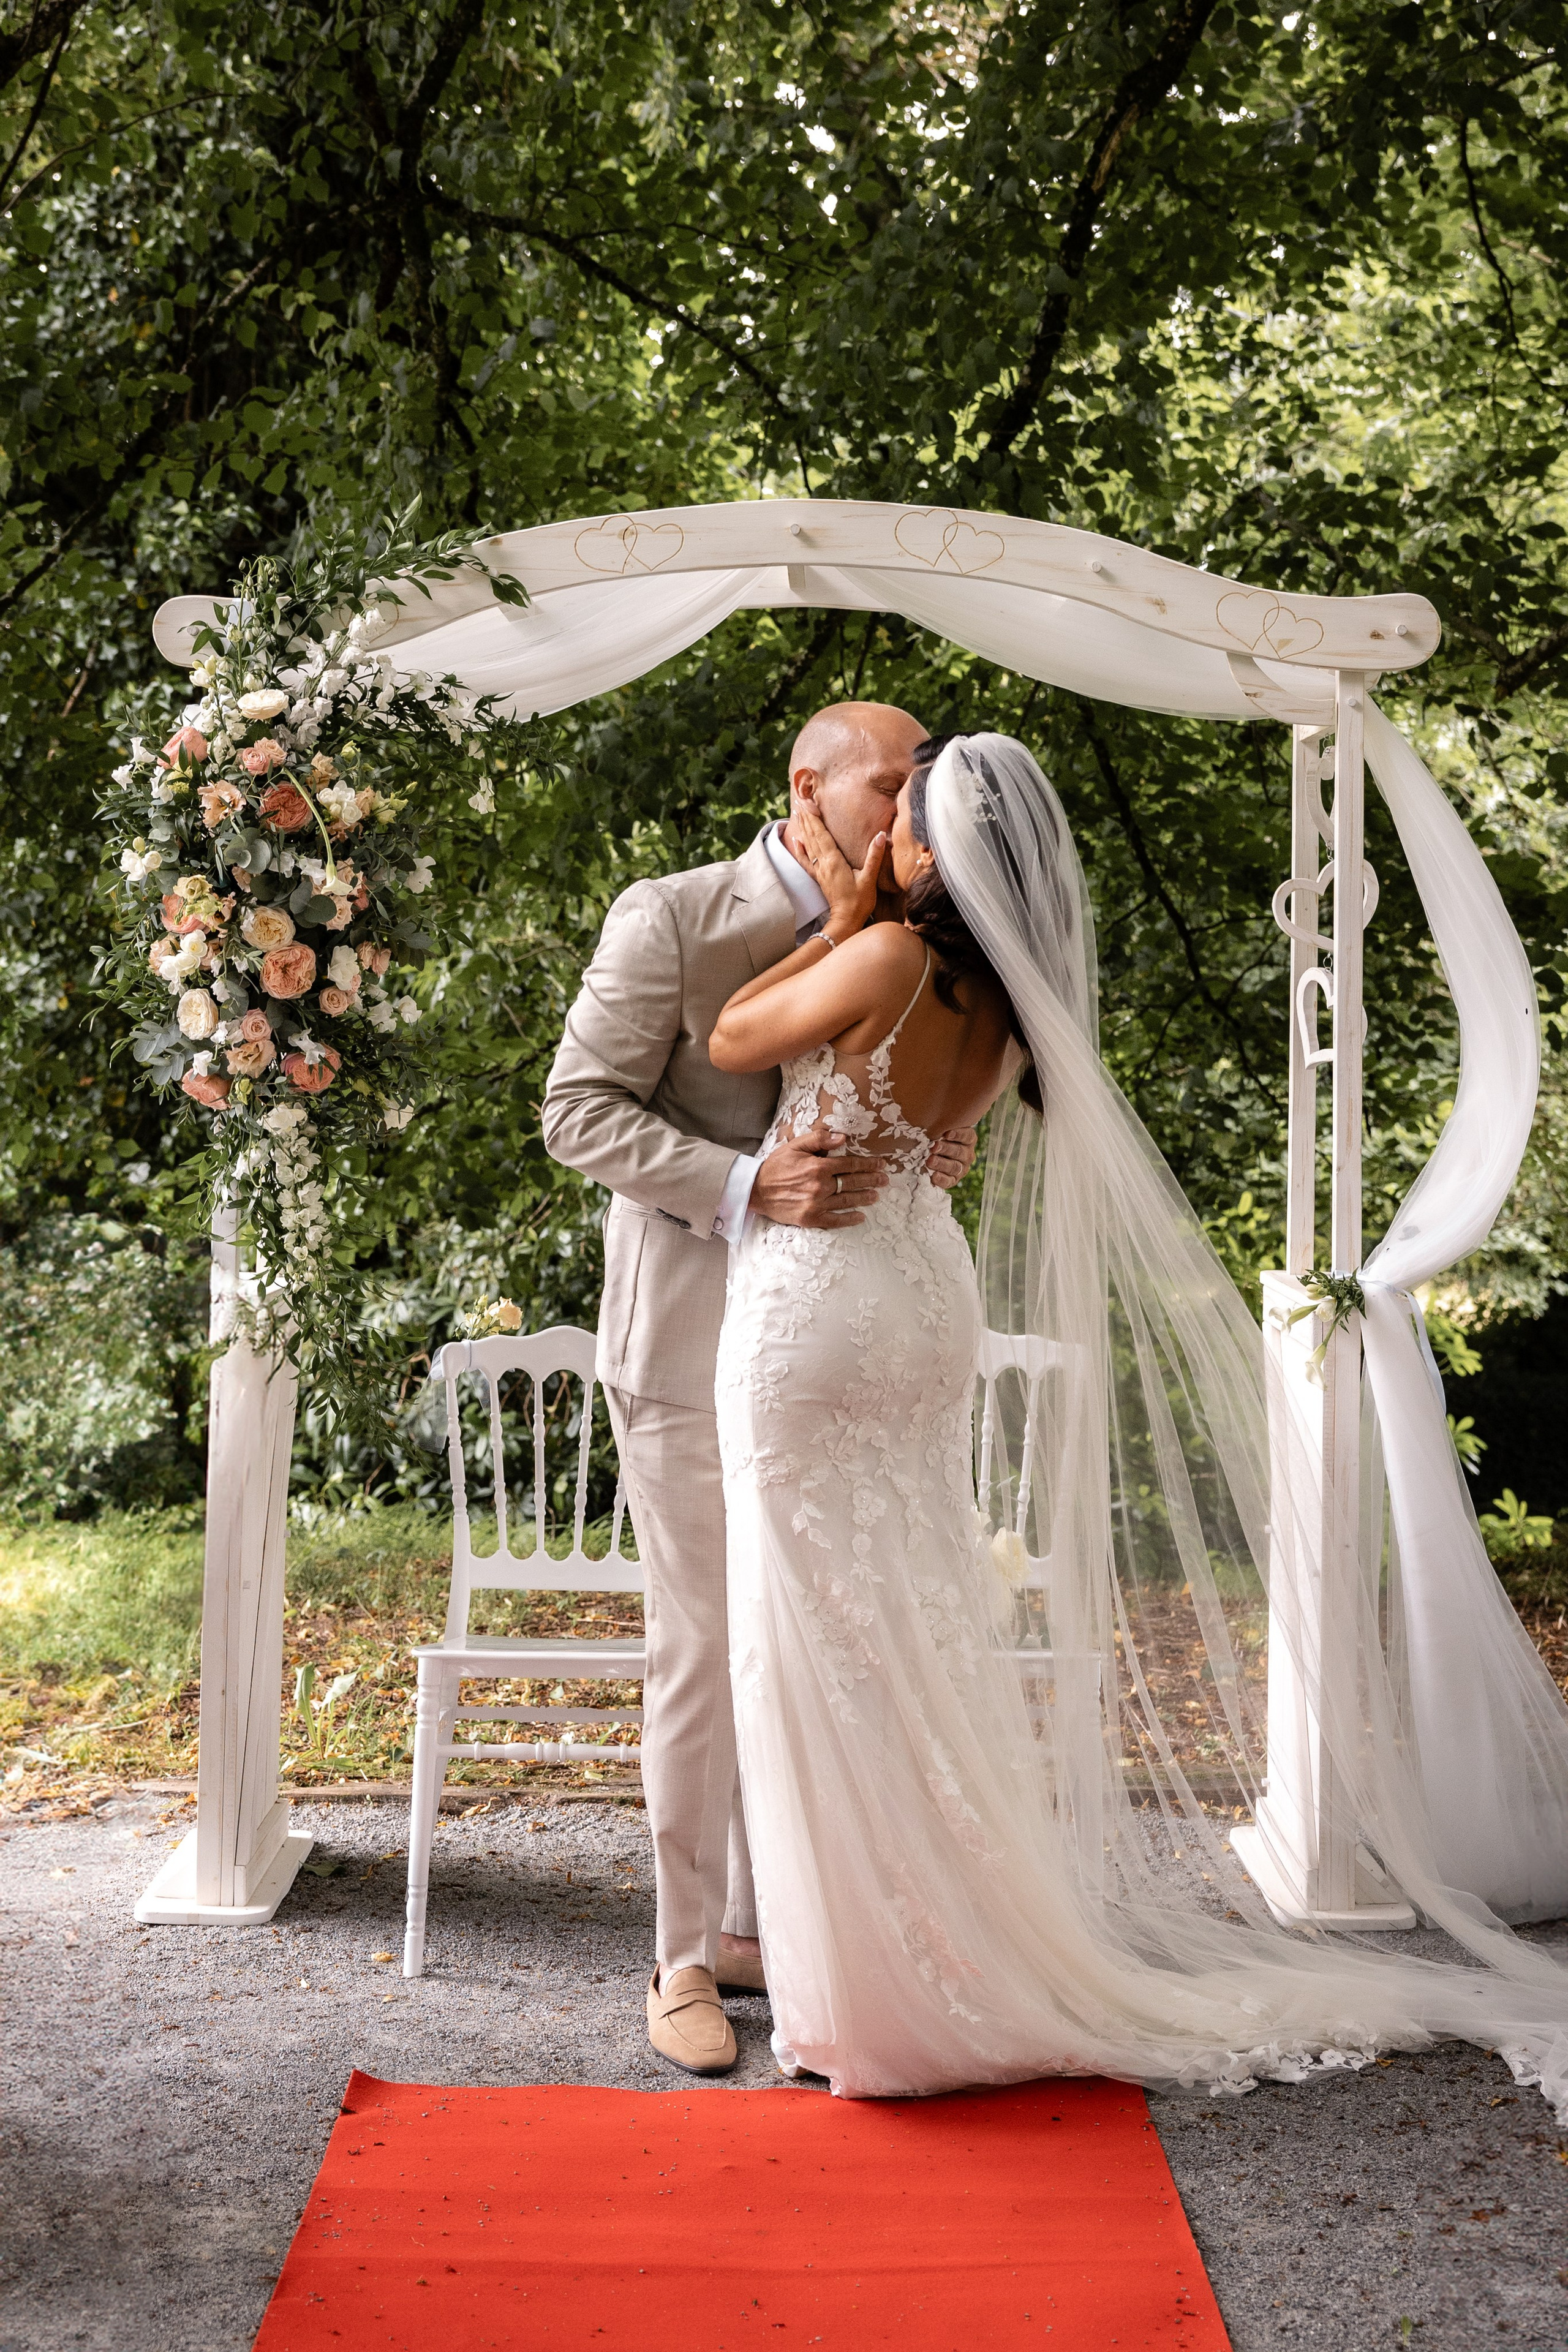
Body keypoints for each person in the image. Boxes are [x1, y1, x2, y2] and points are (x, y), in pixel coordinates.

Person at [707, 730, 1568, 2108]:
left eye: (905, 822)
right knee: (912, 1626)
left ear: (925, 850)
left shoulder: (878, 958)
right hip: (926, 1305)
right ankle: (933, 1957)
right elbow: (932, 1133)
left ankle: (861, 2005)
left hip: (817, 1311)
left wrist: (852, 917)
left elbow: (730, 1035)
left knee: (813, 1649)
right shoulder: (1002, 1014)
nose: (888, 838)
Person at [541, 702, 976, 2076]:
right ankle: (677, 1957)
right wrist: (743, 1186)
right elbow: (577, 1110)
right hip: (691, 1335)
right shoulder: (671, 916)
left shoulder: (932, 942)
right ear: (812, 786)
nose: (914, 809)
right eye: (894, 785)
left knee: (819, 1633)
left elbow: (921, 1095)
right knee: (700, 1646)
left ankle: (764, 1923)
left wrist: (932, 1153)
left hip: (836, 1349)